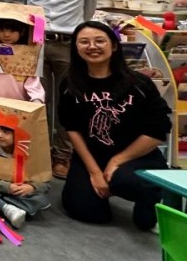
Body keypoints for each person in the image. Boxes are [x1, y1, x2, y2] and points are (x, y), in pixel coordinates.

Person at [59, 21, 171, 231]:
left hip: (137, 157)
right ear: (75, 48)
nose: (92, 46)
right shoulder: (70, 84)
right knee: (87, 211)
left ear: (114, 45)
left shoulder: (139, 84)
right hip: (92, 156)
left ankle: (150, 199)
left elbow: (158, 131)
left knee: (125, 183)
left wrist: (117, 161)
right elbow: (71, 128)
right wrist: (94, 171)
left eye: (100, 41)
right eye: (84, 42)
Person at [18, 0, 98, 180]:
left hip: (68, 44)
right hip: (36, 44)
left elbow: (88, 10)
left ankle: (63, 154)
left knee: (68, 100)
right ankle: (39, 154)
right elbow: (22, 7)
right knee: (35, 99)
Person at [0, 124, 51, 229]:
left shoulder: (30, 150)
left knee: (41, 199)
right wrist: (7, 187)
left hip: (19, 190)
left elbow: (45, 181)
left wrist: (32, 187)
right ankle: (6, 208)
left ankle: (3, 204)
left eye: (6, 132)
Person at [0, 20, 45, 102]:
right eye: (2, 30)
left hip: (19, 103)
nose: (6, 35)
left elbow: (32, 80)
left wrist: (36, 97)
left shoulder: (29, 54)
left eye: (12, 31)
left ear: (22, 32)